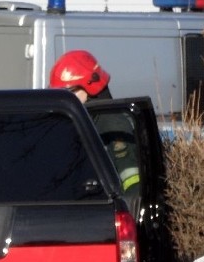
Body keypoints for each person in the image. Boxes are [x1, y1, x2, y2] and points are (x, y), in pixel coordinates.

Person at [49, 50, 140, 194]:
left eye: (69, 93)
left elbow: (132, 183)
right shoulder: (82, 122)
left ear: (91, 87)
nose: (63, 99)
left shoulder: (113, 125)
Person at [48, 49, 112, 103]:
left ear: (92, 88)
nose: (61, 99)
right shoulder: (77, 116)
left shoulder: (107, 117)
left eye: (68, 93)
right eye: (57, 94)